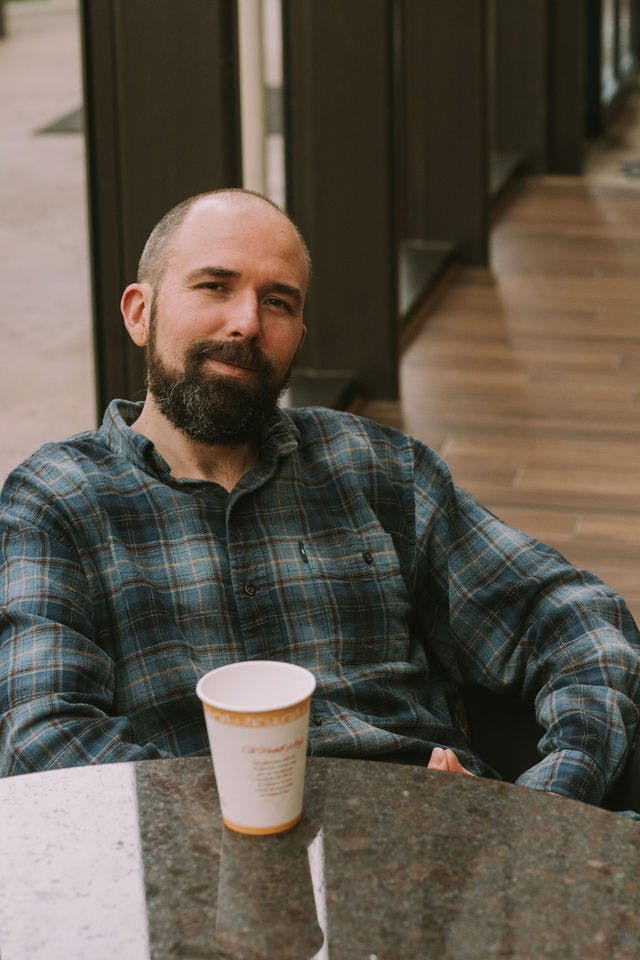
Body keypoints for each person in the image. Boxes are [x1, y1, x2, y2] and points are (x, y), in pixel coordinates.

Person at [1, 188, 639, 812]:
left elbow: (579, 619)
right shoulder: (59, 500)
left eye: (277, 301)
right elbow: (43, 741)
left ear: (299, 335)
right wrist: (255, 812)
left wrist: (549, 802)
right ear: (140, 312)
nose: (247, 322)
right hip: (202, 874)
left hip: (434, 847)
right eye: (214, 286)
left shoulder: (376, 468)